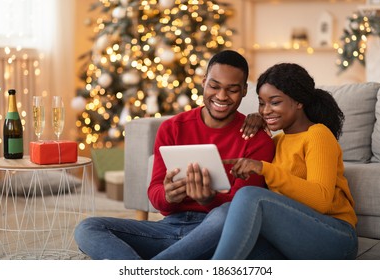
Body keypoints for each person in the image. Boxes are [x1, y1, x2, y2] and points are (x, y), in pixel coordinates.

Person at [74, 50, 275, 260]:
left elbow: (244, 211)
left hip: (219, 234)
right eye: (214, 86)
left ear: (244, 91)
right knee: (88, 228)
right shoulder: (173, 128)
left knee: (225, 214)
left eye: (232, 90)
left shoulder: (258, 140)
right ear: (204, 82)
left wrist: (210, 199)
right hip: (168, 229)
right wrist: (168, 196)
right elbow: (155, 192)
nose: (222, 96)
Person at [212, 63, 358, 260]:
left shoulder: (318, 134)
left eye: (274, 102)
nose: (265, 111)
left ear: (298, 102)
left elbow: (321, 200)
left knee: (250, 196)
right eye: (261, 103)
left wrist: (263, 168)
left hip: (335, 236)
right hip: (294, 236)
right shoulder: (277, 141)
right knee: (227, 215)